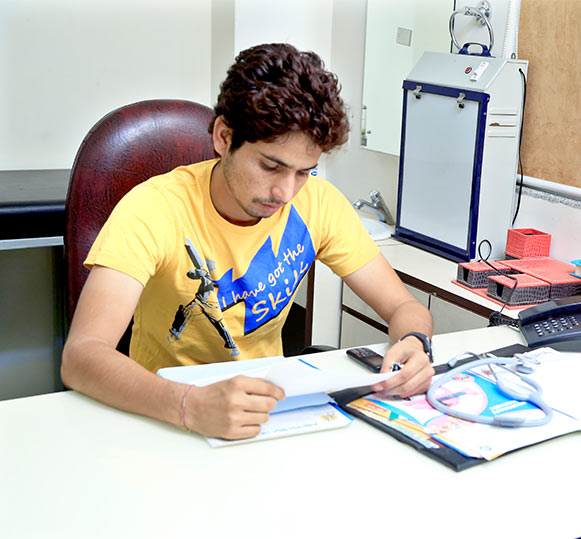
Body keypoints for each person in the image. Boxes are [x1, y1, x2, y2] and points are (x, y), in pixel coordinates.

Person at [61, 43, 434, 441]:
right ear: (224, 137)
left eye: (303, 172)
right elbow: (82, 356)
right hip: (163, 413)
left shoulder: (319, 203)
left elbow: (403, 307)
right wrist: (189, 405)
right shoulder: (154, 208)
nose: (286, 192)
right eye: (271, 166)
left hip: (268, 411)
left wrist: (414, 342)